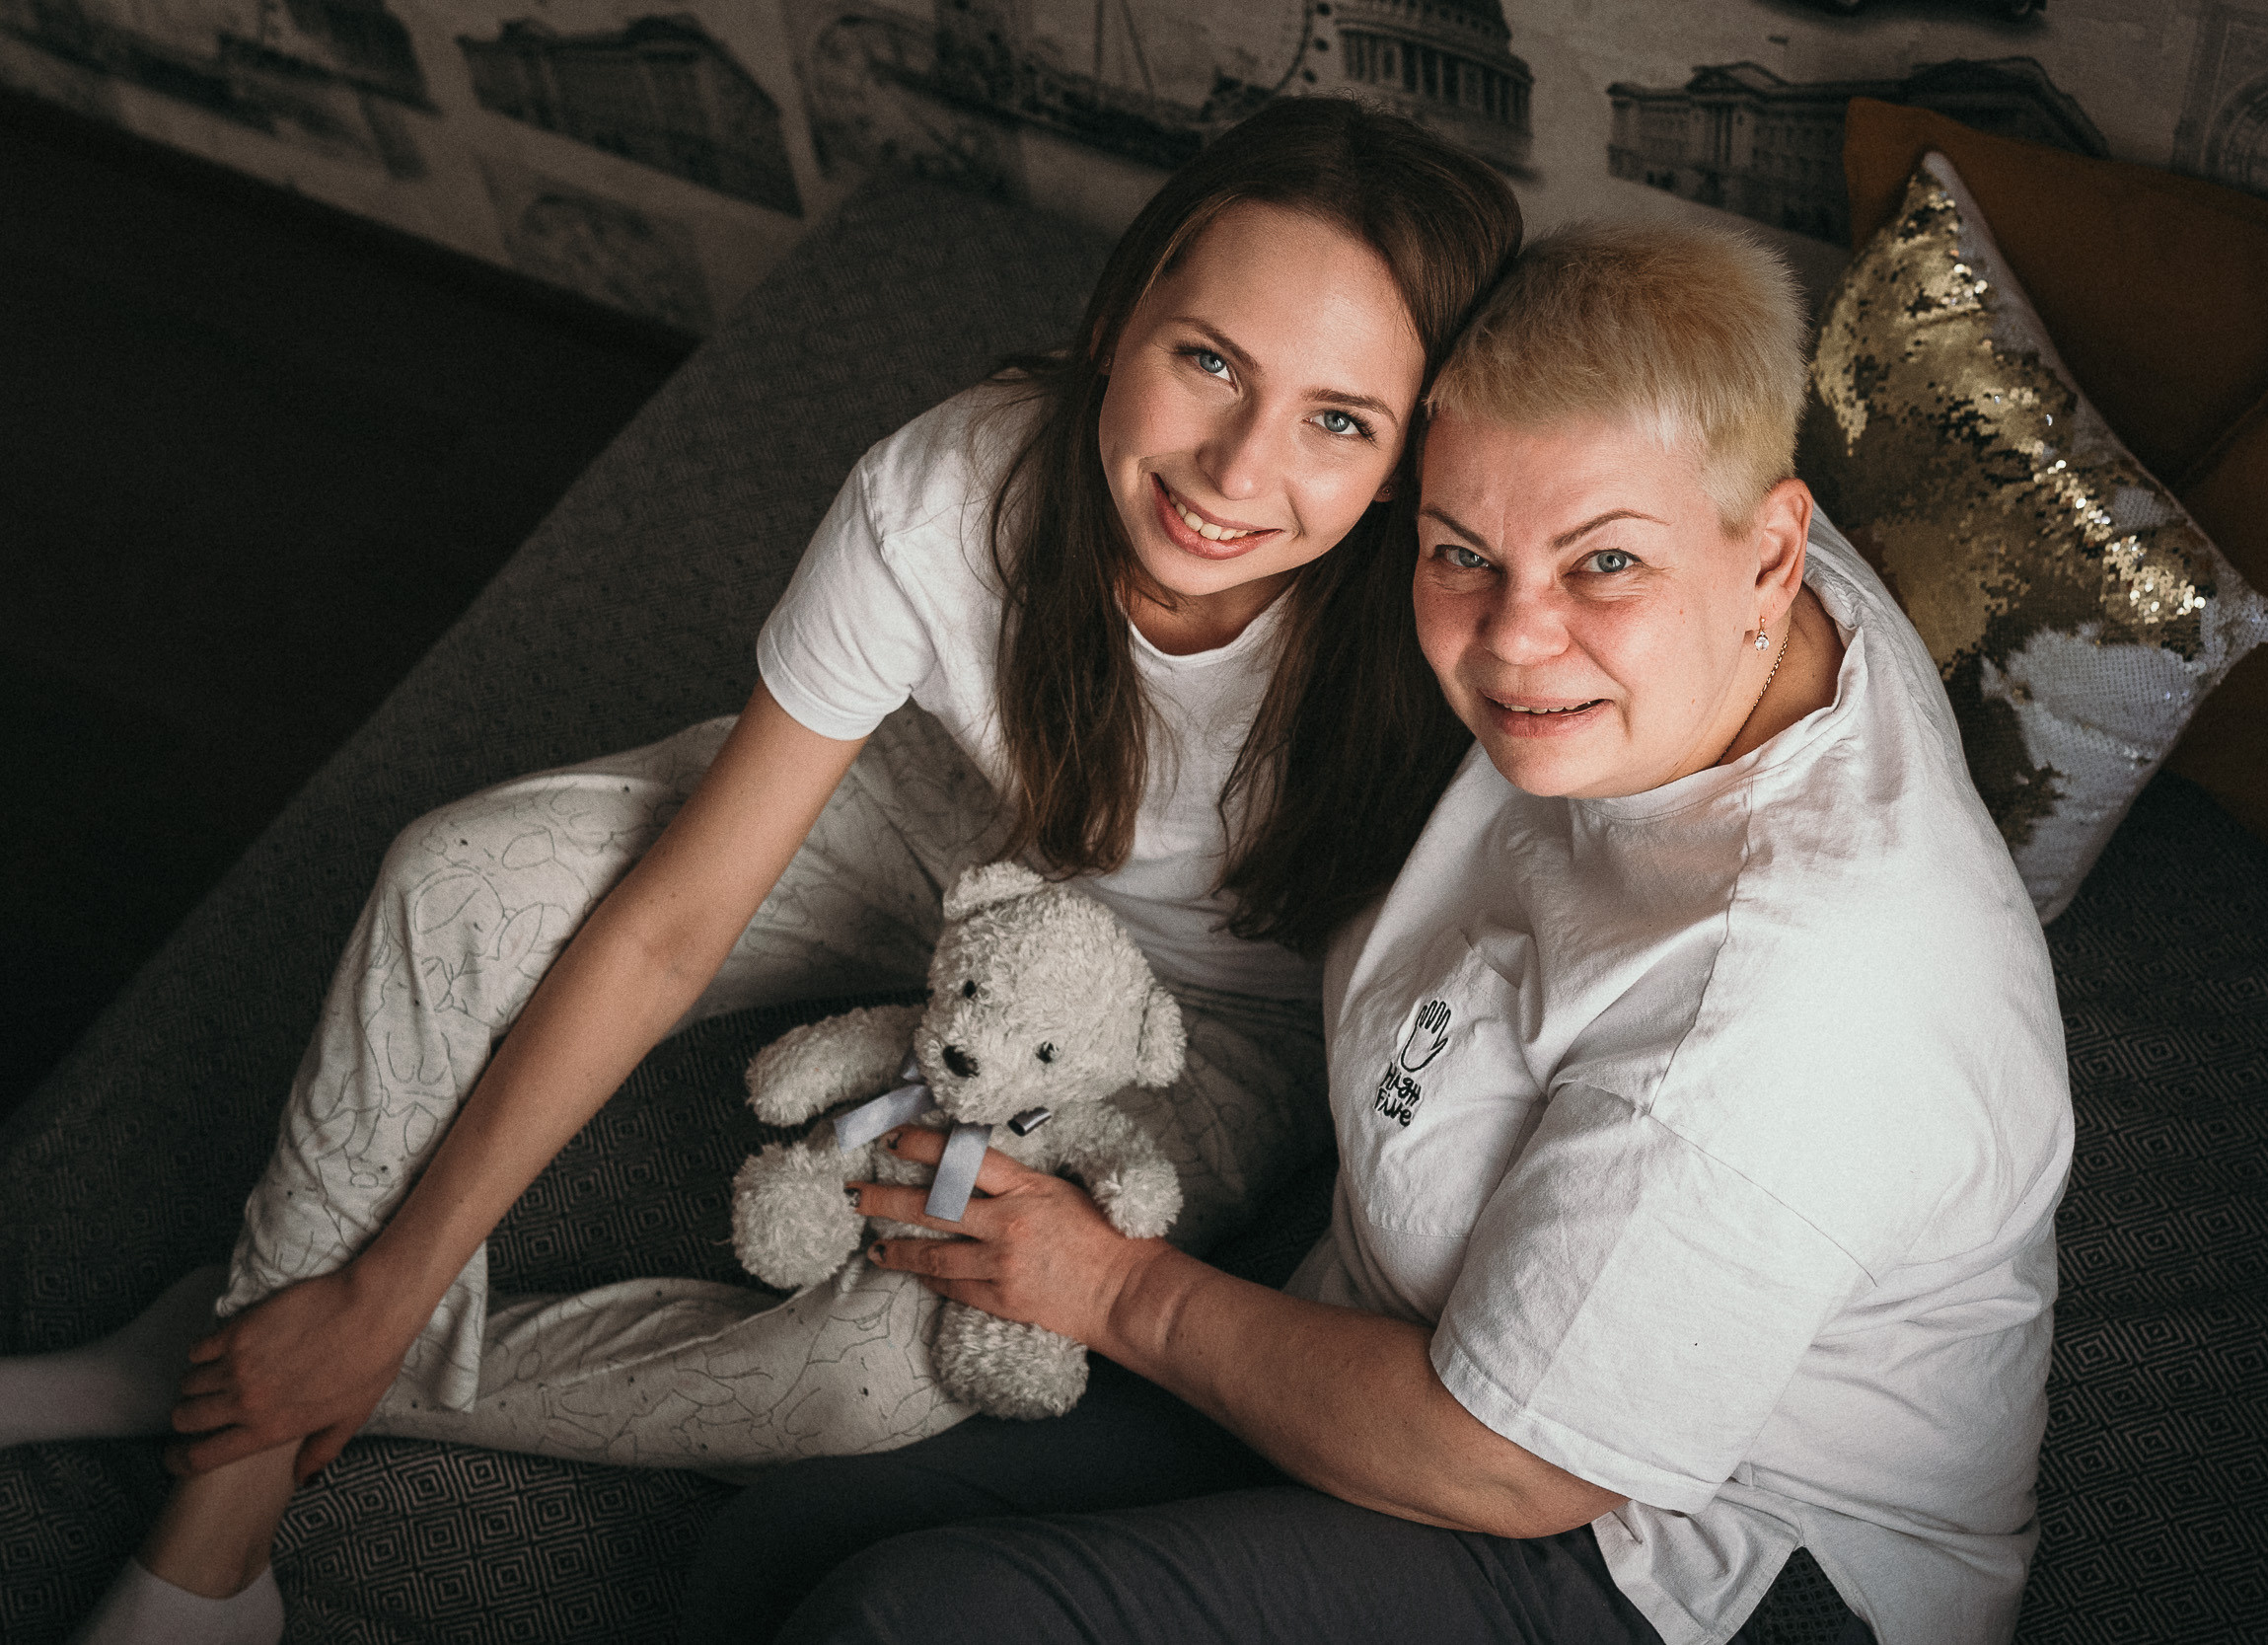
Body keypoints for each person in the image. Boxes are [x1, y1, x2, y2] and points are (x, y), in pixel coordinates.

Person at [2, 98, 1522, 1645]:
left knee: (874, 1377)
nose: (1237, 467)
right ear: (1116, 316)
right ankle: (219, 1534)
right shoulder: (949, 487)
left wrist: (360, 1323)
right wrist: (392, 1269)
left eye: (1342, 420)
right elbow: (673, 923)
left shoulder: (1459, 624)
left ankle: (243, 1346)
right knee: (455, 878)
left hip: (1206, 1014)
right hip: (942, 821)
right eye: (1209, 360)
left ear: (1414, 461)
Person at [689, 220, 2074, 1644]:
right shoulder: (1682, 510)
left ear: (1776, 553)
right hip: (1412, 1308)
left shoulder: (1783, 1009)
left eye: (1602, 568)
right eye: (1462, 553)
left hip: (1677, 1551)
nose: (1518, 638)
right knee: (785, 1538)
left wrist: (1113, 1288)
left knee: (911, 1625)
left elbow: (1511, 1463)